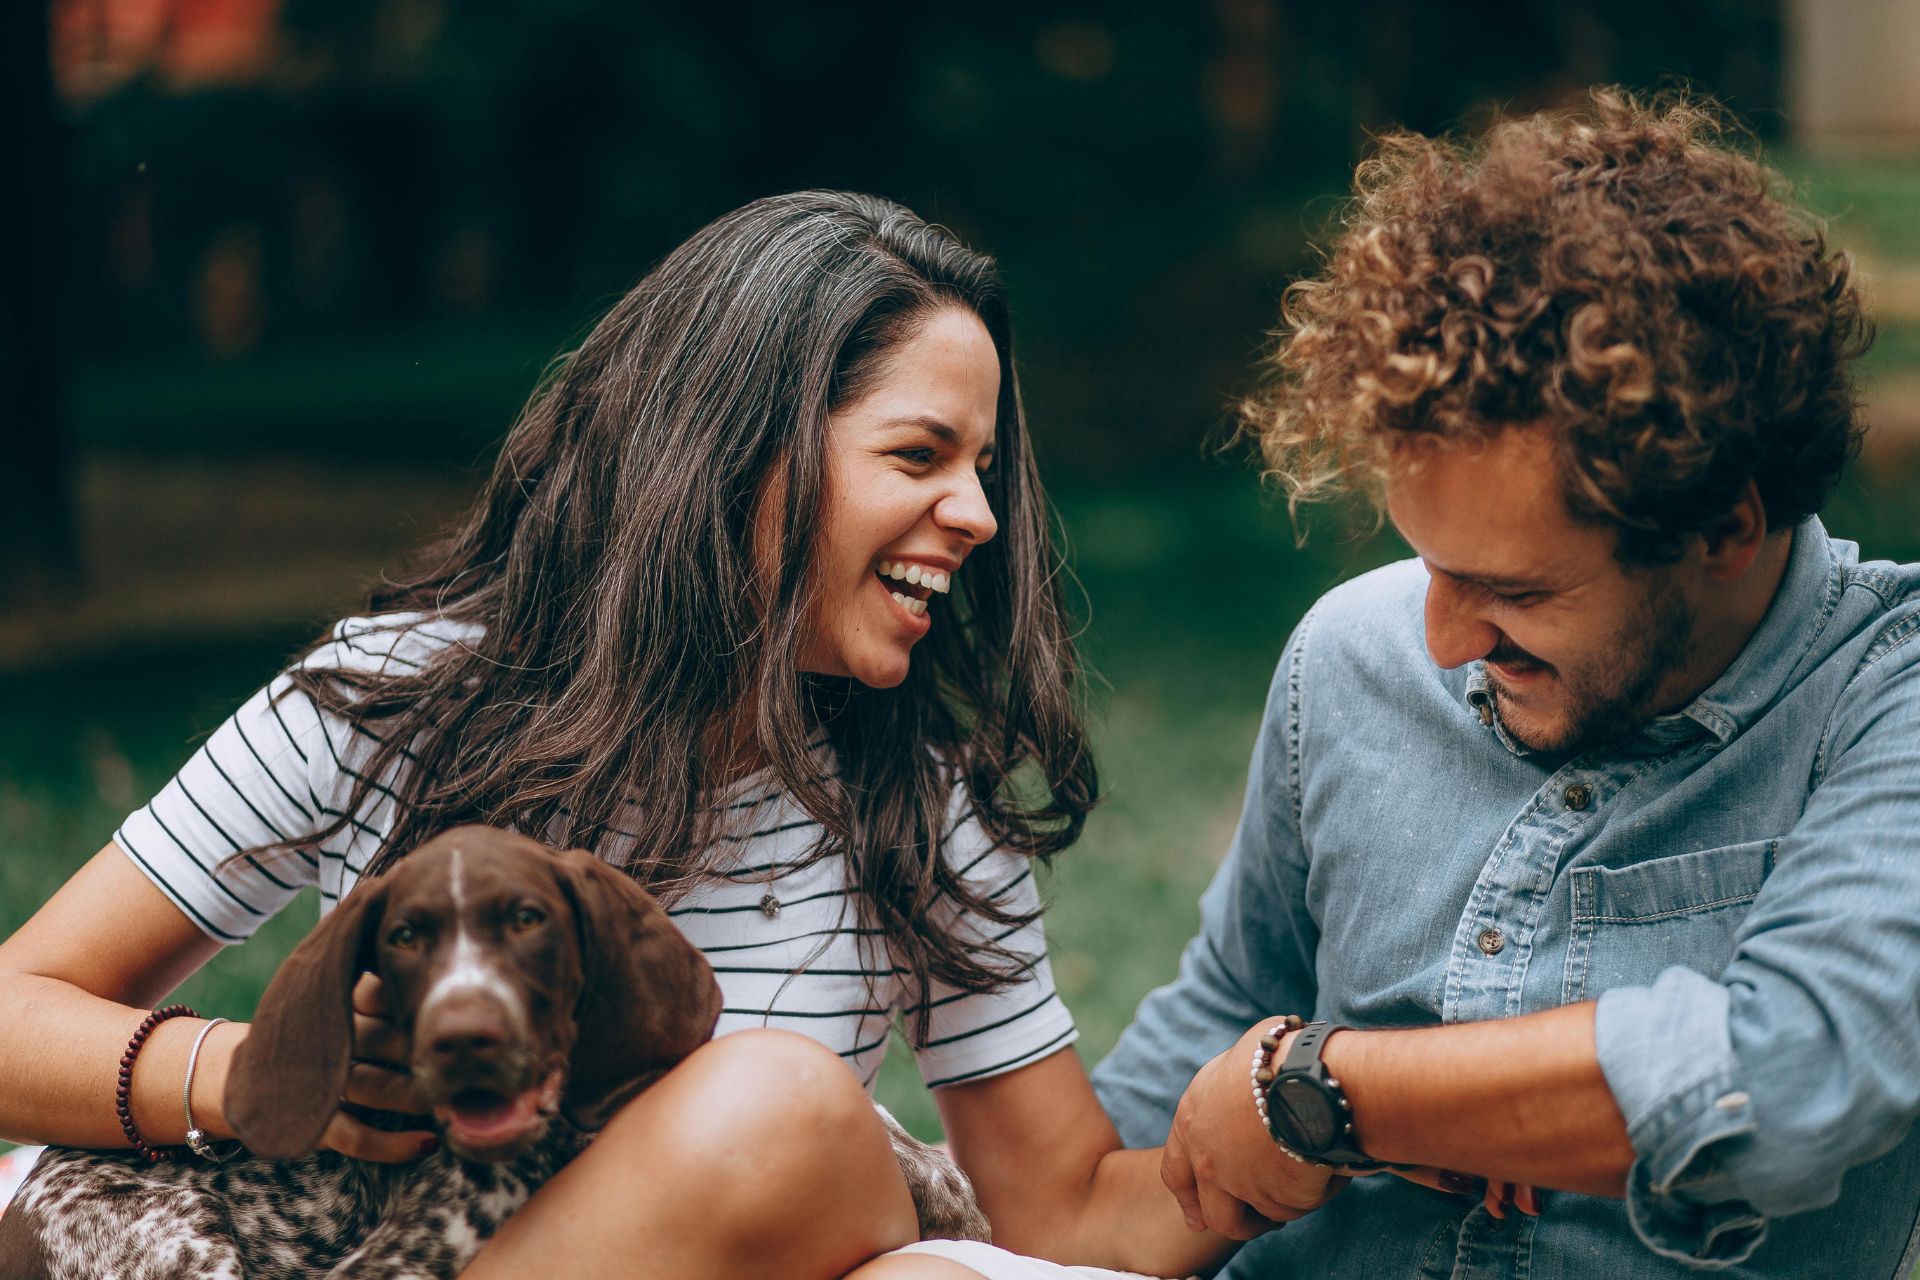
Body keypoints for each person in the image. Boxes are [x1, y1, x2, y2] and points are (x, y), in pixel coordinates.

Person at [0, 192, 1241, 1280]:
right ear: (738, 450)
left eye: (982, 465)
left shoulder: (924, 810)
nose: (976, 512)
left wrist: (1309, 1124)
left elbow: (1061, 1212)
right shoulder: (397, 695)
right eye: (920, 453)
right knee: (789, 1113)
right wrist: (262, 1076)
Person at [1088, 87, 1920, 1277]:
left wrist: (1323, 1090)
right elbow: (1208, 1031)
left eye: (1515, 592)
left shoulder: (1888, 697)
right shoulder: (1349, 652)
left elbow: (1786, 1076)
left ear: (1722, 528)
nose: (1437, 639)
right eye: (1427, 562)